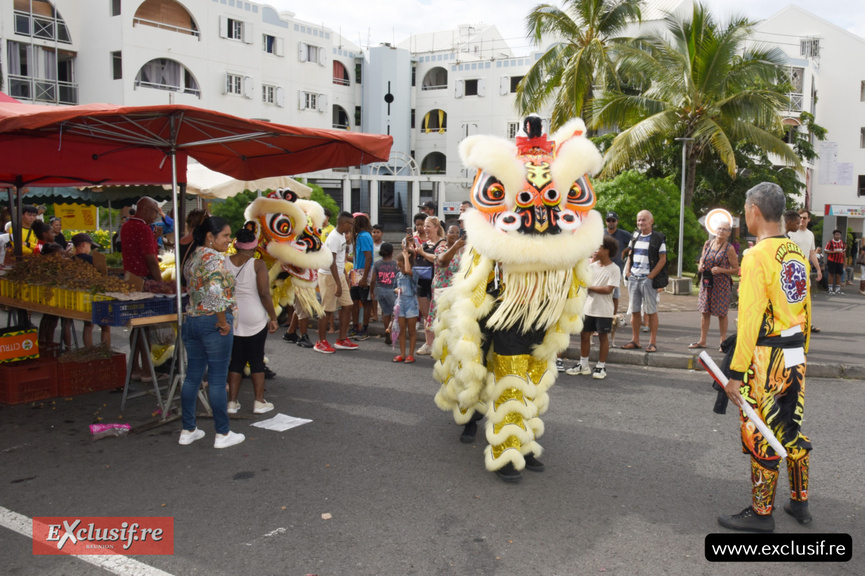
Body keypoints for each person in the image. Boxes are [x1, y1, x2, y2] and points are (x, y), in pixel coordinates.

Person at [718, 182, 812, 533]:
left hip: (765, 356)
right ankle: (799, 503)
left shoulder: (756, 255)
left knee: (761, 428)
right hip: (794, 352)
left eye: (745, 208)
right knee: (790, 422)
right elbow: (806, 306)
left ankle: (761, 514)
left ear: (754, 210)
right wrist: (803, 354)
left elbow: (750, 318)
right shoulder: (794, 250)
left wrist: (736, 371)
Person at [179, 216, 245, 449]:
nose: (230, 240)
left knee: (193, 377)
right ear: (210, 236)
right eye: (225, 236)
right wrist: (223, 322)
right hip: (213, 322)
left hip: (193, 321)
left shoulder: (194, 255)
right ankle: (222, 433)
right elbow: (216, 293)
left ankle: (188, 429)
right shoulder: (215, 258)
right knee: (217, 380)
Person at [225, 228, 279, 416]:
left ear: (236, 244)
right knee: (256, 359)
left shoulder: (224, 262)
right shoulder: (258, 264)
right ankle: (259, 401)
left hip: (233, 316)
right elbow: (264, 293)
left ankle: (231, 402)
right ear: (255, 246)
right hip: (255, 315)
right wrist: (273, 317)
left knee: (236, 361)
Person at [567, 236, 621, 379]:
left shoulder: (614, 269)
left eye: (598, 248)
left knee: (603, 336)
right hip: (587, 308)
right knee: (584, 335)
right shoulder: (590, 267)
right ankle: (583, 364)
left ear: (607, 251)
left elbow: (608, 289)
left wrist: (588, 287)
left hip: (604, 310)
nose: (594, 251)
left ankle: (600, 367)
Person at [621, 210, 666, 352]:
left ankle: (652, 342)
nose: (641, 223)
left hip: (647, 279)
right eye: (639, 220)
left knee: (651, 310)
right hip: (634, 277)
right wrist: (628, 271)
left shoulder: (658, 237)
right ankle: (635, 340)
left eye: (644, 220)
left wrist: (651, 276)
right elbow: (630, 254)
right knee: (634, 310)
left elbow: (663, 259)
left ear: (651, 221)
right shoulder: (635, 236)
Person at [690, 222, 739, 351]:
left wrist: (722, 270)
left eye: (724, 229)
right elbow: (702, 258)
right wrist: (700, 265)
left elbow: (736, 269)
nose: (721, 231)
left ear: (729, 233)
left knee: (721, 314)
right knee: (705, 312)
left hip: (721, 285)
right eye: (719, 228)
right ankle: (702, 340)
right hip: (707, 283)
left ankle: (723, 343)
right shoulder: (708, 243)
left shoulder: (729, 248)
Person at [315, 211, 358, 353]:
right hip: (329, 276)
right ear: (344, 223)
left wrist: (344, 275)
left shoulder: (341, 236)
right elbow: (331, 261)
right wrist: (338, 284)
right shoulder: (334, 237)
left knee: (348, 306)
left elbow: (340, 260)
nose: (351, 227)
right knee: (327, 310)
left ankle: (342, 339)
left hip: (338, 274)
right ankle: (320, 342)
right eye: (350, 224)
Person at [413, 215, 446, 355]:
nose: (425, 229)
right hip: (422, 282)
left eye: (428, 226)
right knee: (427, 315)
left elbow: (439, 259)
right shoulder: (424, 244)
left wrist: (422, 253)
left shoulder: (443, 243)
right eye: (424, 226)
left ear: (436, 228)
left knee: (438, 315)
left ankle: (440, 345)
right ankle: (429, 343)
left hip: (437, 283)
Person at [72, 233, 111, 347]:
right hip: (95, 296)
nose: (90, 249)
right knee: (105, 325)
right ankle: (106, 351)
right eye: (90, 246)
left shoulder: (71, 260)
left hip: (81, 297)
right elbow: (103, 275)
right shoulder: (91, 259)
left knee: (88, 325)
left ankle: (89, 350)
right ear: (84, 244)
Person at [428, 224, 466, 329]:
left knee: (454, 324)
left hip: (456, 291)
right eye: (451, 232)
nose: (454, 234)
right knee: (442, 325)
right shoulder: (441, 248)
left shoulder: (462, 250)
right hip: (442, 291)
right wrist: (455, 247)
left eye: (457, 232)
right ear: (445, 234)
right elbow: (443, 262)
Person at [121, 197, 162, 280]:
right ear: (145, 209)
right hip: (144, 278)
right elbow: (151, 261)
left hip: (130, 276)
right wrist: (161, 283)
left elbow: (136, 249)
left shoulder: (126, 225)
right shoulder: (143, 228)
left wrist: (154, 239)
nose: (157, 216)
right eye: (155, 211)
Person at [349, 214, 374, 339]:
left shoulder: (364, 236)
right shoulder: (360, 236)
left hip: (363, 272)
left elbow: (368, 257)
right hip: (357, 271)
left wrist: (364, 278)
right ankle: (355, 326)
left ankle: (364, 328)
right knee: (355, 300)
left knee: (365, 301)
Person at [393, 249, 419, 363]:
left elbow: (408, 270)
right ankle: (403, 353)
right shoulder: (398, 275)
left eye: (401, 266)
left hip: (411, 303)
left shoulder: (413, 272)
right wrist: (396, 290)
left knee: (412, 330)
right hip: (400, 303)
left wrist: (406, 258)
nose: (400, 269)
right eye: (398, 267)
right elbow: (393, 287)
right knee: (401, 330)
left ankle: (410, 354)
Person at [604, 211, 632, 316]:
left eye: (613, 220)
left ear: (617, 222)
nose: (611, 222)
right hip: (601, 268)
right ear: (605, 221)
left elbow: (634, 243)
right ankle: (603, 316)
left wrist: (625, 252)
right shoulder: (600, 232)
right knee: (601, 294)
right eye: (609, 220)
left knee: (614, 294)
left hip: (616, 268)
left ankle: (613, 316)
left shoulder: (623, 234)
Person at [370, 242, 398, 345]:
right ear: (392, 252)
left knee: (386, 313)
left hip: (380, 290)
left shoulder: (377, 263)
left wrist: (372, 292)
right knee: (395, 314)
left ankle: (387, 329)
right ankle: (390, 330)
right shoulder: (395, 264)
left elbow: (373, 280)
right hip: (392, 290)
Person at [824, 229, 846, 295]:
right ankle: (830, 289)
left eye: (838, 235)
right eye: (836, 234)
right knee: (831, 274)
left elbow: (844, 252)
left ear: (840, 236)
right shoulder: (830, 242)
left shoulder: (842, 243)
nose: (837, 236)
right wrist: (834, 252)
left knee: (839, 275)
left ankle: (837, 289)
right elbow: (826, 251)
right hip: (832, 261)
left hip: (840, 261)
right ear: (834, 235)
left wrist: (845, 261)